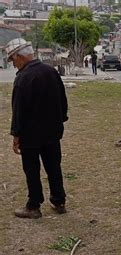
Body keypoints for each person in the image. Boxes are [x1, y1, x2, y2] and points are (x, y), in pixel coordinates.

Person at [6, 38, 69, 219]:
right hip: (51, 132)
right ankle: (59, 201)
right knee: (54, 167)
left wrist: (16, 135)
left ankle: (33, 206)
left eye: (13, 59)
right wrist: (60, 120)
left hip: (30, 135)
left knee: (32, 170)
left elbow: (18, 110)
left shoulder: (23, 78)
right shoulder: (51, 72)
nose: (13, 63)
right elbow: (62, 100)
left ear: (20, 56)